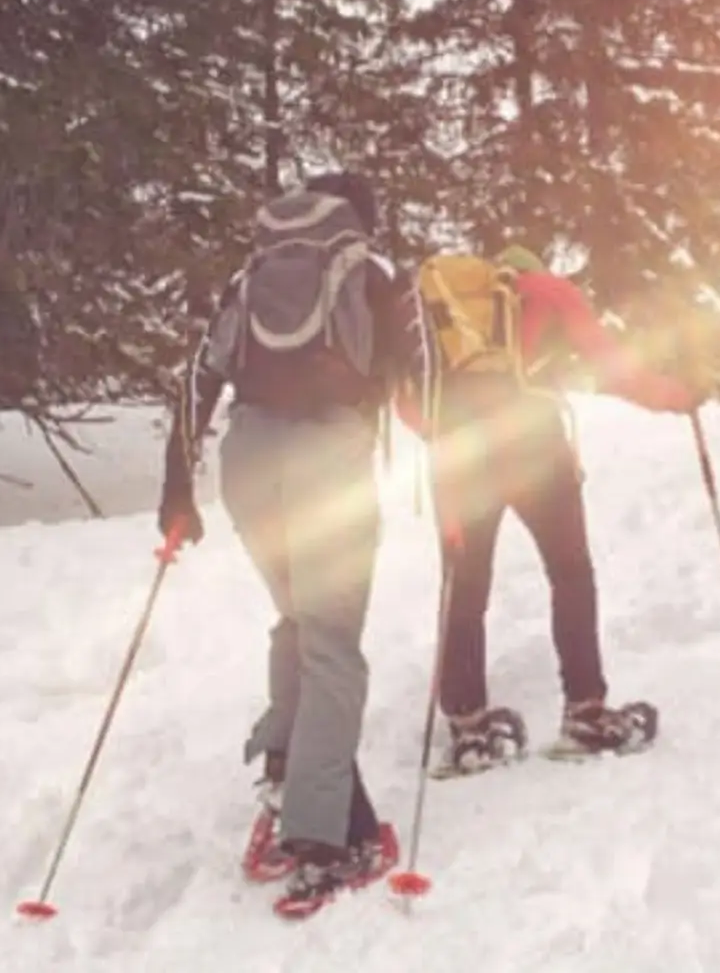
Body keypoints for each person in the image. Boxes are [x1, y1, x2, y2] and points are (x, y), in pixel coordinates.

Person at [157, 171, 430, 919]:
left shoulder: (254, 276)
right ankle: (322, 840)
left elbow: (197, 377)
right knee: (332, 644)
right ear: (363, 221)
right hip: (328, 462)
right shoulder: (375, 274)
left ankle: (288, 784)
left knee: (299, 622)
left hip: (248, 462)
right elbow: (427, 378)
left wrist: (177, 490)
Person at [395, 244, 700, 778]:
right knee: (570, 572)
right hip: (535, 445)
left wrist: (447, 432)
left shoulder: (435, 309)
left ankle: (469, 729)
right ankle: (585, 714)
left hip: (461, 455)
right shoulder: (550, 292)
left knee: (464, 587)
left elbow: (405, 400)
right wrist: (680, 396)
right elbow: (613, 369)